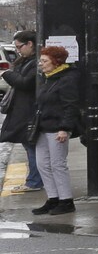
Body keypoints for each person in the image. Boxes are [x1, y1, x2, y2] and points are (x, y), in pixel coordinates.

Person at [30, 46, 83, 214]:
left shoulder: (66, 79)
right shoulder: (49, 78)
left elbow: (70, 106)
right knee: (42, 164)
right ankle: (53, 198)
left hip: (57, 128)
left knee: (57, 164)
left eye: (45, 61)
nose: (41, 64)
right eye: (41, 60)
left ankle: (66, 200)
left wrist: (65, 128)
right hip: (43, 127)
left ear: (56, 62)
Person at [1, 31, 38, 188]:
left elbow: (25, 83)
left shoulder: (35, 63)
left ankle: (34, 181)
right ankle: (33, 180)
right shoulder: (26, 60)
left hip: (28, 110)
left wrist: (7, 74)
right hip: (23, 109)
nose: (18, 50)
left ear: (30, 44)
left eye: (19, 47)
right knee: (29, 146)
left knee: (31, 147)